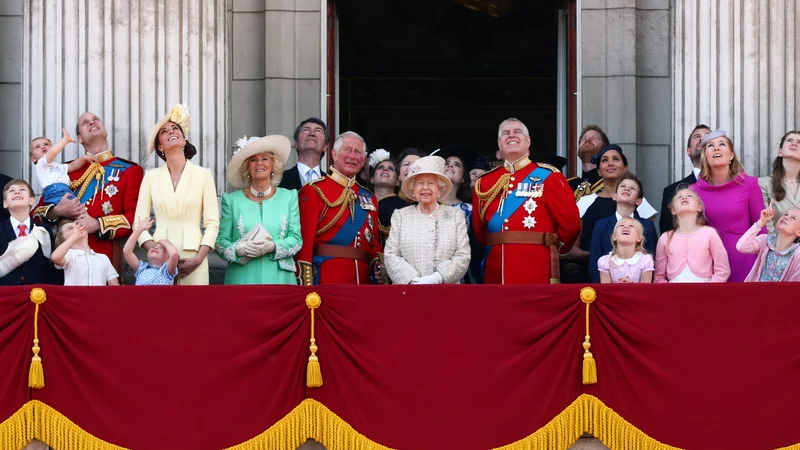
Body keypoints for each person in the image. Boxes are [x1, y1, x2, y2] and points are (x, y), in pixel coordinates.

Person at [32, 112, 144, 274]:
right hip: (65, 260)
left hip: (104, 258)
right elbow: (34, 215)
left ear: (105, 131)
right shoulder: (64, 170)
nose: (92, 122)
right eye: (85, 122)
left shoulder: (130, 170)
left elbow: (134, 218)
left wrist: (99, 224)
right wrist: (56, 211)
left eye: (96, 119)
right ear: (79, 138)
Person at [473, 118, 580, 284]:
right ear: (499, 144)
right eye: (505, 133)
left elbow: (571, 225)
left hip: (536, 267)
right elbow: (480, 232)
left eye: (517, 132)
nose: (511, 135)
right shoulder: (485, 182)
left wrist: (554, 250)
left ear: (528, 141)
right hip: (495, 270)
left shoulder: (550, 177)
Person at [134, 104, 219, 285]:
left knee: (195, 310)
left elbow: (212, 223)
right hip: (159, 259)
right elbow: (138, 223)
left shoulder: (203, 175)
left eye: (175, 128)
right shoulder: (151, 177)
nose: (171, 131)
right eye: (164, 131)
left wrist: (198, 259)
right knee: (163, 311)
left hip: (193, 257)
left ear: (184, 139)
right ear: (160, 146)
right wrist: (156, 253)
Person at [296, 131, 383, 285]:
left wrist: (377, 264)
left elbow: (374, 244)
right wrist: (305, 281)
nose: (352, 156)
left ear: (363, 161)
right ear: (334, 154)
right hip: (326, 278)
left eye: (357, 152)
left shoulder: (369, 197)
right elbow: (305, 242)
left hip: (363, 282)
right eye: (347, 150)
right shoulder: (314, 191)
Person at [216, 135, 302, 285]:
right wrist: (238, 249)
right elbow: (220, 243)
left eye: (265, 159)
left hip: (280, 279)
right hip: (242, 279)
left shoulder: (289, 197)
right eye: (253, 159)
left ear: (273, 165)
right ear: (247, 167)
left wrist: (273, 246)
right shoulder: (231, 201)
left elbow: (296, 240)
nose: (259, 164)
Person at [566, 145, 657, 283]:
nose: (610, 163)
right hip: (597, 280)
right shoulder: (587, 204)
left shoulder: (641, 206)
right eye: (605, 160)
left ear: (625, 167)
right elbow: (574, 249)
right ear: (598, 170)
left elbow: (651, 254)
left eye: (616, 159)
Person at [384, 155, 470, 284]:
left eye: (431, 183)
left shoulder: (455, 216)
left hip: (446, 293)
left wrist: (438, 278)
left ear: (439, 188)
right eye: (420, 183)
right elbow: (391, 254)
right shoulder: (400, 216)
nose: (425, 188)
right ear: (413, 189)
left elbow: (463, 255)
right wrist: (412, 279)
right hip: (409, 292)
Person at [691, 129, 764, 282]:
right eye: (710, 146)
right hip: (709, 262)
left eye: (721, 144)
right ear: (705, 157)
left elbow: (761, 227)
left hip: (745, 259)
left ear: (731, 155)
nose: (716, 148)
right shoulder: (693, 191)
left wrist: (763, 262)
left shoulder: (749, 184)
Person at [588, 172, 658, 283]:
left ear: (639, 201)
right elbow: (594, 260)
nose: (627, 189)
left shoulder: (647, 226)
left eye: (632, 188)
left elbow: (653, 258)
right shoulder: (601, 225)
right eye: (623, 187)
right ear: (614, 196)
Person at [654, 187, 730, 282]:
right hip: (674, 292)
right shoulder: (665, 238)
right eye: (679, 197)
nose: (684, 198)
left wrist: (710, 289)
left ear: (699, 207)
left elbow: (723, 270)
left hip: (704, 291)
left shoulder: (710, 233)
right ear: (673, 210)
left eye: (689, 196)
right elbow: (659, 276)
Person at [0, 179, 62, 286]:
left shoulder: (44, 230)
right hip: (5, 296)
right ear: (5, 203)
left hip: (38, 295)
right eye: (12, 191)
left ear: (31, 201)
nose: (17, 192)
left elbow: (52, 265)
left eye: (22, 189)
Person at [659, 124, 711, 234]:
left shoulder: (732, 184)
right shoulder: (671, 191)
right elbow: (667, 233)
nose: (702, 138)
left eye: (707, 136)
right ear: (688, 151)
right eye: (697, 136)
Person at [30, 129, 96, 206]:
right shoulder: (41, 164)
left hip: (66, 191)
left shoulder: (58, 166)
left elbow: (72, 166)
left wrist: (83, 158)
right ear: (33, 158)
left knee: (77, 210)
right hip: (54, 192)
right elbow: (53, 152)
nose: (43, 147)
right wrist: (65, 140)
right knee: (71, 210)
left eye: (46, 144)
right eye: (37, 147)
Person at [736, 202, 800, 282]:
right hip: (755, 292)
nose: (786, 217)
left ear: (799, 232)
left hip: (781, 294)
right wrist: (762, 221)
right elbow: (741, 247)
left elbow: (794, 285)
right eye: (785, 214)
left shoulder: (797, 253)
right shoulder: (765, 240)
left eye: (793, 218)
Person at [52, 220, 119, 286]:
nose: (78, 227)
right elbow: (55, 258)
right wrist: (75, 236)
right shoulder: (69, 255)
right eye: (70, 228)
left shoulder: (103, 258)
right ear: (64, 240)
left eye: (78, 225)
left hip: (97, 297)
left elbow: (115, 287)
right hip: (75, 297)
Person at [758, 130, 800, 233]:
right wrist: (776, 248)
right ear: (780, 152)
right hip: (775, 247)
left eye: (799, 142)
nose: (794, 143)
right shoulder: (763, 184)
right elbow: (766, 225)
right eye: (789, 140)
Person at [124, 217, 179, 285]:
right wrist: (138, 230)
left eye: (161, 247)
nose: (156, 248)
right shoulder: (141, 268)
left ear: (168, 258)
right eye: (154, 246)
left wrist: (165, 242)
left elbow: (174, 254)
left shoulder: (166, 271)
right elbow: (127, 252)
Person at [597, 217, 654, 283]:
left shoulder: (646, 260)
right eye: (621, 225)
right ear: (614, 237)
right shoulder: (605, 261)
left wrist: (631, 287)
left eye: (631, 226)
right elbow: (606, 290)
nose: (626, 227)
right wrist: (618, 287)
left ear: (639, 238)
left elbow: (646, 290)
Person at [280, 118, 330, 190]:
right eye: (306, 130)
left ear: (325, 146)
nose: (312, 133)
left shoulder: (332, 184)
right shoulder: (279, 180)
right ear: (296, 143)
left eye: (318, 131)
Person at [368, 149, 405, 246]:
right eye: (380, 167)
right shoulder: (361, 202)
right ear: (372, 179)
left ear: (397, 181)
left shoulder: (403, 207)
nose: (385, 170)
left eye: (390, 169)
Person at [568, 125, 609, 201]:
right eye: (584, 138)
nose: (587, 140)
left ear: (605, 148)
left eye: (594, 138)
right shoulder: (568, 185)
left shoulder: (611, 184)